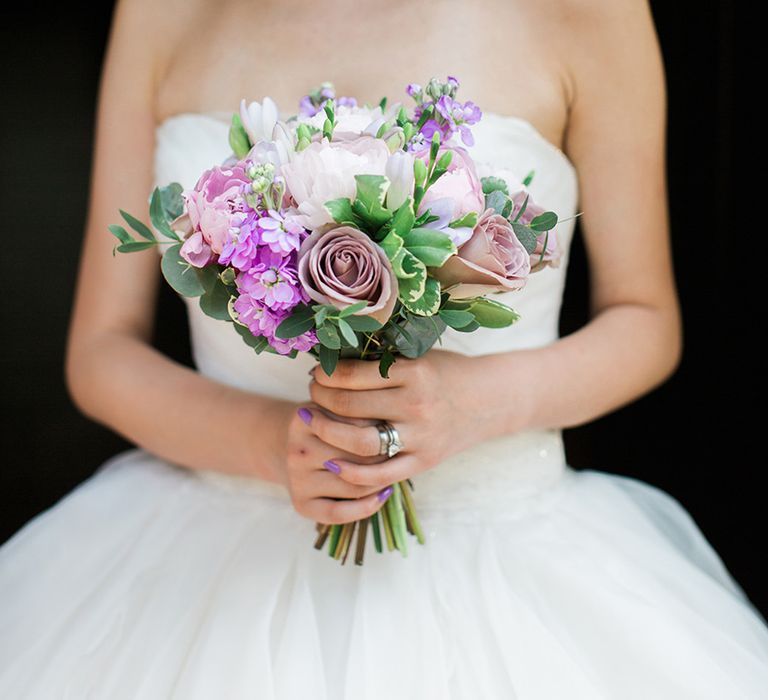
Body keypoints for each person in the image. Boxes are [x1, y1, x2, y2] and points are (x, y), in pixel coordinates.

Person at [2, 0, 767, 697]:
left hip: (503, 550)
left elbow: (645, 319)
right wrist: (276, 445)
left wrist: (472, 403)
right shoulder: (162, 12)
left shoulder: (592, 12)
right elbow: (102, 350)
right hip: (202, 551)